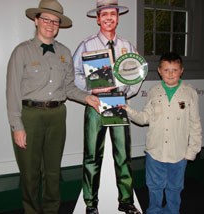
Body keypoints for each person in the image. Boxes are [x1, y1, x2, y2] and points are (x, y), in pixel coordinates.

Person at [6, 0, 100, 213]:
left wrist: (88, 98)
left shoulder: (65, 53)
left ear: (59, 25)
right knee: (30, 173)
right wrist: (17, 126)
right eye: (46, 19)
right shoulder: (22, 51)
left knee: (52, 172)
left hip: (57, 116)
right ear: (36, 21)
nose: (50, 24)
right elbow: (12, 92)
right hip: (29, 117)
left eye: (55, 21)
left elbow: (68, 88)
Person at [73, 0, 142, 213]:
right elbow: (74, 75)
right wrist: (93, 90)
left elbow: (137, 74)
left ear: (118, 17)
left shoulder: (127, 46)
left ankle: (126, 201)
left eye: (113, 13)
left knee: (123, 155)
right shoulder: (86, 44)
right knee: (92, 155)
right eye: (104, 14)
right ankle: (91, 204)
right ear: (98, 18)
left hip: (119, 102)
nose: (109, 17)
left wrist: (125, 92)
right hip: (96, 105)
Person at [124, 52, 202, 214]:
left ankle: (172, 211)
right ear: (159, 70)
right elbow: (145, 118)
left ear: (181, 71)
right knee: (154, 186)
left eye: (174, 70)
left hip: (179, 153)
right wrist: (127, 110)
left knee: (174, 188)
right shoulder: (153, 91)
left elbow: (195, 124)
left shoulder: (190, 93)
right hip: (155, 151)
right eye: (166, 70)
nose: (170, 74)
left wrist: (192, 151)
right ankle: (154, 211)